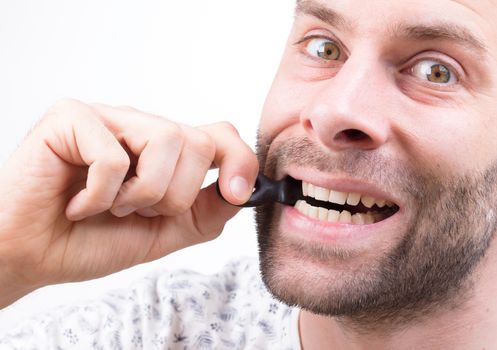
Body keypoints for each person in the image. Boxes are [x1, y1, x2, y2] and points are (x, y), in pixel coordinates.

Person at [2, 0, 497, 348]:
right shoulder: (151, 331)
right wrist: (9, 258)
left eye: (438, 71)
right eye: (325, 47)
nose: (332, 112)